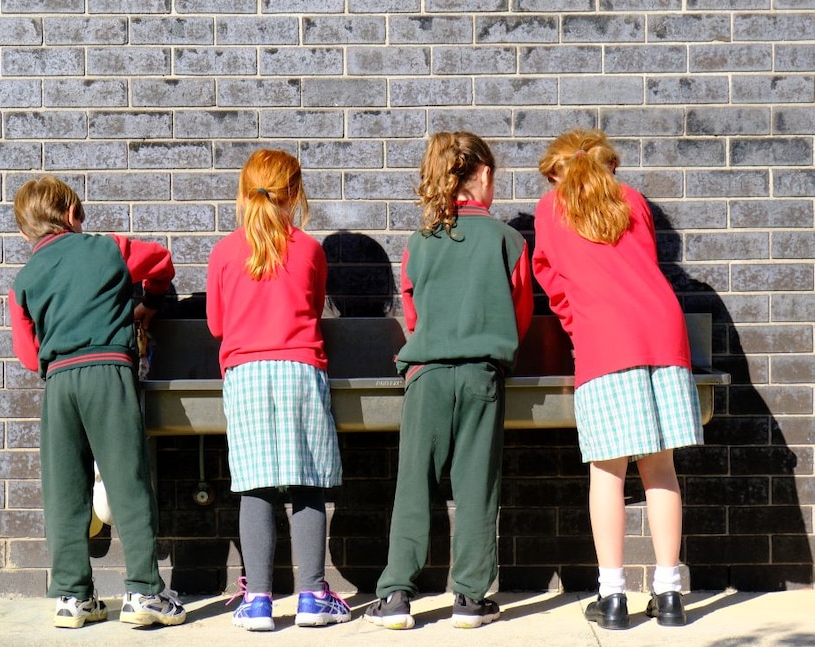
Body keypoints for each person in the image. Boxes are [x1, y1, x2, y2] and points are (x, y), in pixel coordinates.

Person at [532, 129, 704, 629]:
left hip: (607, 339)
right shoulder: (630, 198)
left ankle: (613, 598)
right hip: (664, 332)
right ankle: (669, 595)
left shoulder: (551, 208)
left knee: (607, 472)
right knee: (661, 468)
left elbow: (551, 278)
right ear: (610, 164)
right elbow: (644, 262)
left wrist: (576, 321)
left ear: (557, 169)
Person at [364, 131, 533, 630]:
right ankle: (469, 599)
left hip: (427, 375)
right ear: (482, 176)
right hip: (482, 373)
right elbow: (519, 314)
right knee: (478, 485)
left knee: (413, 484)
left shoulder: (419, 241)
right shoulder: (509, 240)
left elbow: (412, 315)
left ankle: (396, 595)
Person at [8, 175, 186, 629]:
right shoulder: (109, 248)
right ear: (72, 215)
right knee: (127, 480)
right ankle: (144, 593)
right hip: (109, 371)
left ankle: (72, 597)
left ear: (26, 231)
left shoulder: (22, 280)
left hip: (59, 382)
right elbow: (161, 260)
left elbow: (29, 356)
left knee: (65, 490)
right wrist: (149, 301)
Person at [206, 149, 350, 631]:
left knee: (255, 486)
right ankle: (312, 595)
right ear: (295, 193)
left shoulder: (225, 251)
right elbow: (312, 306)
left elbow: (215, 324)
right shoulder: (309, 249)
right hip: (299, 370)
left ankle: (259, 601)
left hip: (246, 375)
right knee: (307, 483)